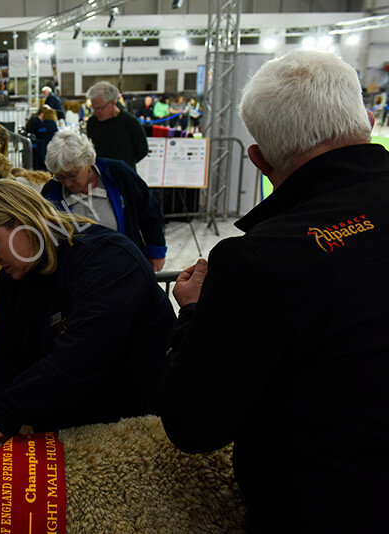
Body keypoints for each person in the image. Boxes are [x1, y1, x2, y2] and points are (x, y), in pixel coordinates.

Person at [158, 50, 389, 532]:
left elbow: (195, 424)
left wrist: (194, 314)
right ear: (367, 121)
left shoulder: (258, 261)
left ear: (259, 160)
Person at [0, 179, 175, 451]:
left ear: (24, 223)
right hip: (70, 427)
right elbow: (5, 351)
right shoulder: (15, 278)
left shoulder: (107, 260)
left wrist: (9, 414)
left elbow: (80, 355)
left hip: (136, 431)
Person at [41, 130, 167, 271]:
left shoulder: (119, 174)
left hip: (125, 267)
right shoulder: (51, 192)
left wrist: (156, 251)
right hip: (80, 274)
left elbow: (149, 210)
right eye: (60, 177)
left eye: (72, 175)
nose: (67, 183)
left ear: (88, 162)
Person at [85, 81, 149, 171]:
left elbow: (143, 150)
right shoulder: (92, 123)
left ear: (112, 103)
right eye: (93, 108)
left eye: (99, 108)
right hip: (101, 174)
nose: (95, 112)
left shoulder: (130, 122)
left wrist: (126, 164)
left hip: (125, 175)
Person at [32, 106, 59, 171]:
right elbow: (56, 135)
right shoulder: (53, 124)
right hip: (49, 147)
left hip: (40, 148)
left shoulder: (41, 124)